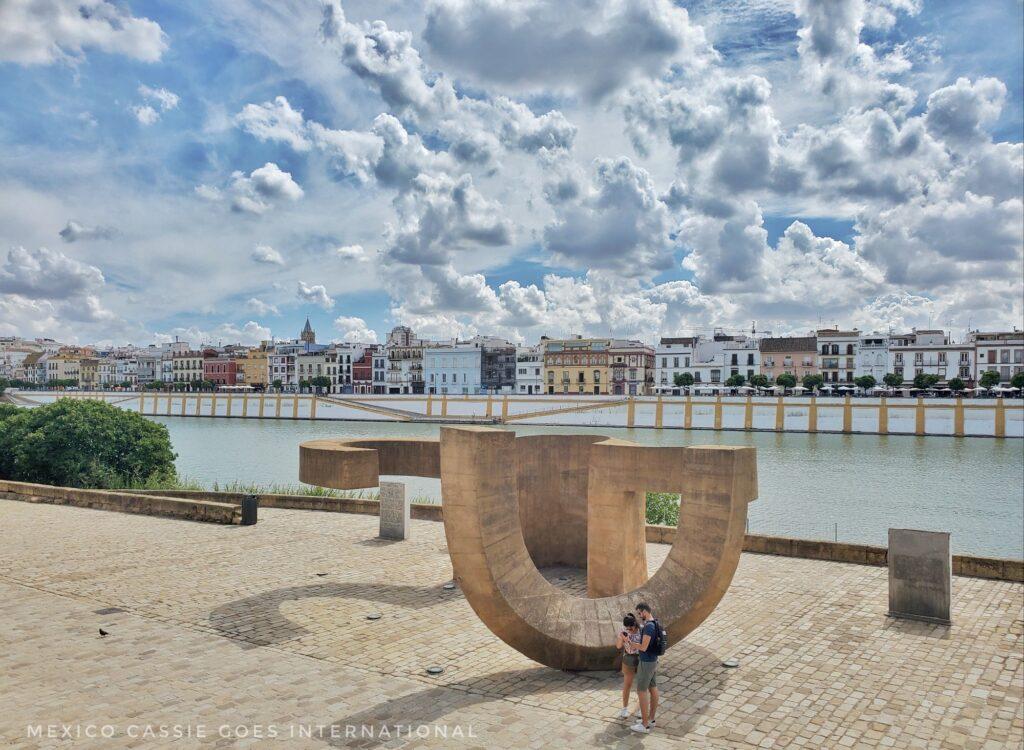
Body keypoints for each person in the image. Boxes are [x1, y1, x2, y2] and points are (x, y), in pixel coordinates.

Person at [630, 602, 660, 733]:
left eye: (639, 613)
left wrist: (632, 643)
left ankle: (644, 724)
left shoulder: (648, 627)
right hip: (653, 661)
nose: (639, 615)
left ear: (645, 611)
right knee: (653, 688)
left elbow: (643, 647)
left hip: (646, 662)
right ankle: (651, 719)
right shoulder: (655, 623)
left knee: (641, 691)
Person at [615, 613, 642, 719]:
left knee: (641, 686)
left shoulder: (642, 630)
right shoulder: (624, 631)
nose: (628, 630)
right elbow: (618, 646)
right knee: (627, 685)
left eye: (630, 628)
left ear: (634, 625)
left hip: (641, 659)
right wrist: (621, 638)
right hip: (629, 658)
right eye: (627, 628)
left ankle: (640, 709)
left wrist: (629, 641)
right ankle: (625, 708)